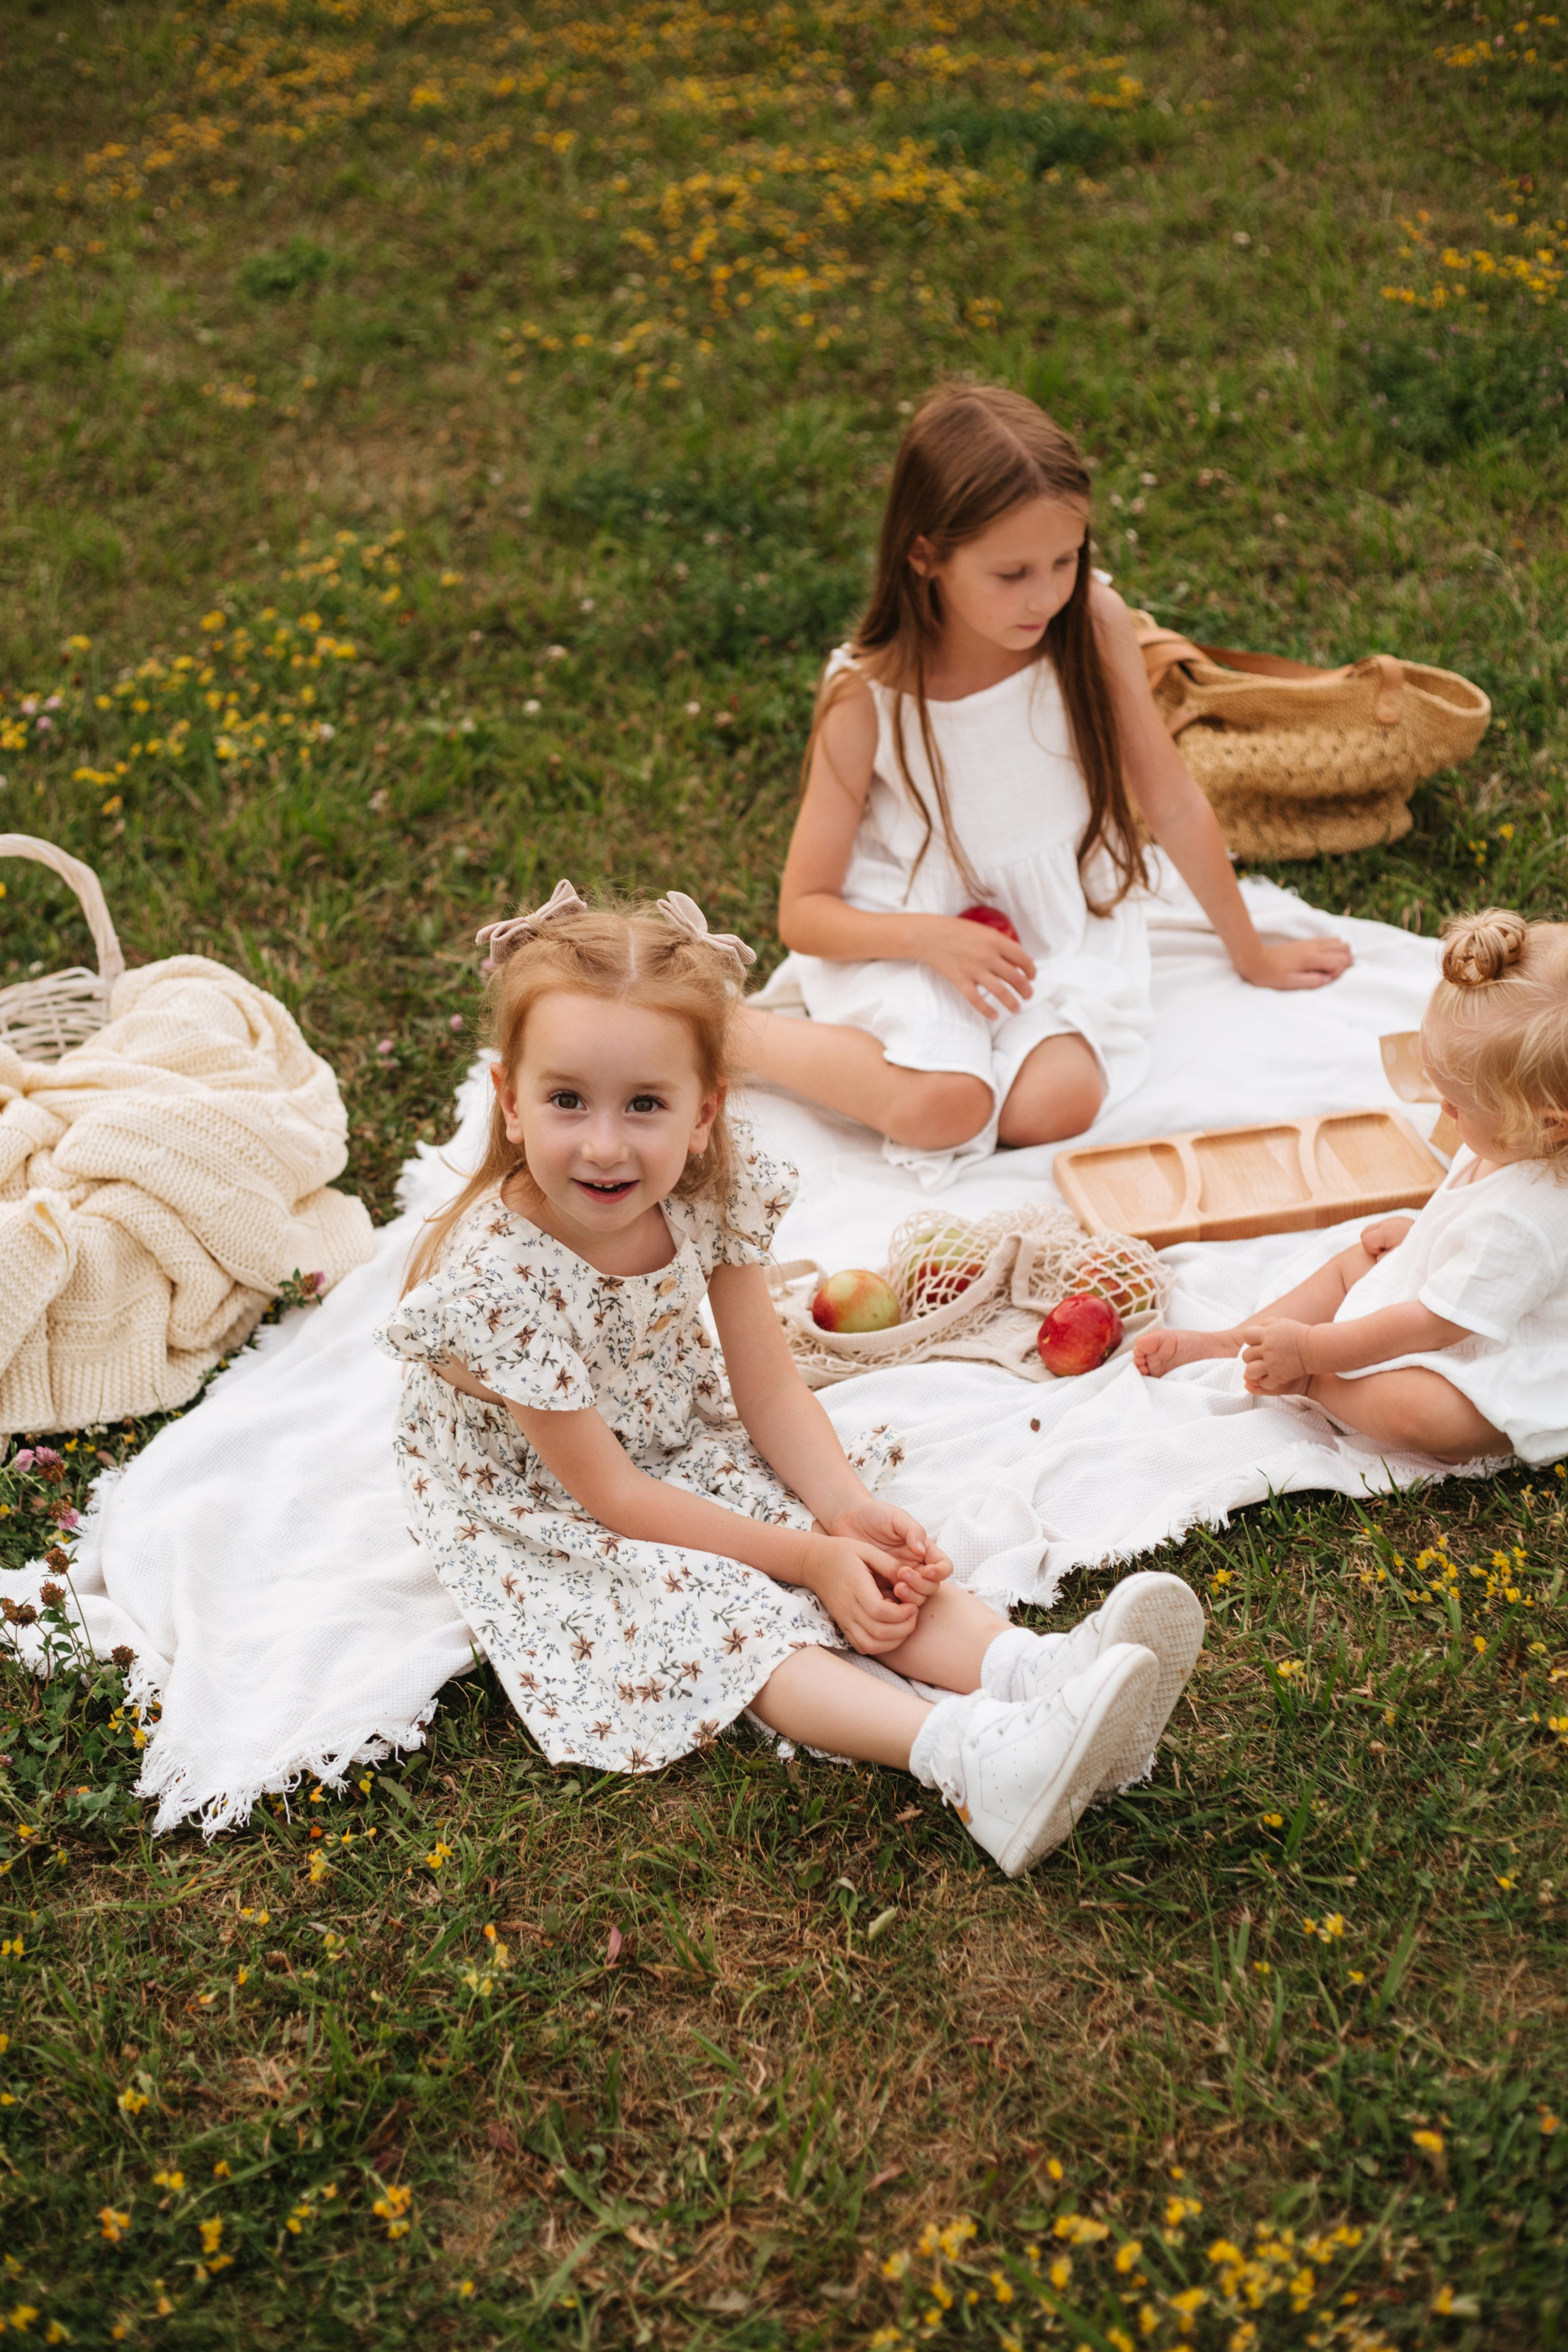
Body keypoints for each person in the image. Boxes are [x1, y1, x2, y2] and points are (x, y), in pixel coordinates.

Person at [374, 882, 1204, 1877]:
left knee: (845, 1552)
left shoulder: (711, 1189)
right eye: (566, 1102)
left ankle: (1030, 1667)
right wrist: (804, 1562)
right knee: (723, 1608)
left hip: (672, 1434)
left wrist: (843, 1513)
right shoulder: (499, 1281)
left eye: (645, 1104)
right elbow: (614, 1498)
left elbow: (767, 1393)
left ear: (703, 1111)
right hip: (546, 1495)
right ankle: (969, 1760)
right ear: (510, 1099)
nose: (604, 1144)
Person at [734, 382, 1350, 1178]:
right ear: (924, 556)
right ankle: (730, 1033)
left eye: (1066, 560)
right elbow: (804, 912)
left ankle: (887, 1060)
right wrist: (931, 940)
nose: (1047, 594)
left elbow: (1169, 798)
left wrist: (1251, 952)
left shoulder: (1090, 624)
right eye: (1013, 572)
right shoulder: (868, 695)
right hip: (906, 936)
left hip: (1050, 932)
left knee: (1056, 1104)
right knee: (949, 1105)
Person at [1135, 910, 1568, 1465]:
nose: (1443, 1109)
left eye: (1457, 1105)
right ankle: (1234, 1340)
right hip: (1481, 1299)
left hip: (1510, 1351)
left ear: (1549, 1122)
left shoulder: (1527, 1218)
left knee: (1428, 1412)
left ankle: (1314, 1385)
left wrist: (1313, 1352)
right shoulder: (1521, 1139)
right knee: (1357, 1263)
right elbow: (1482, 1226)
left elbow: (1435, 1325)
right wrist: (1427, 1233)